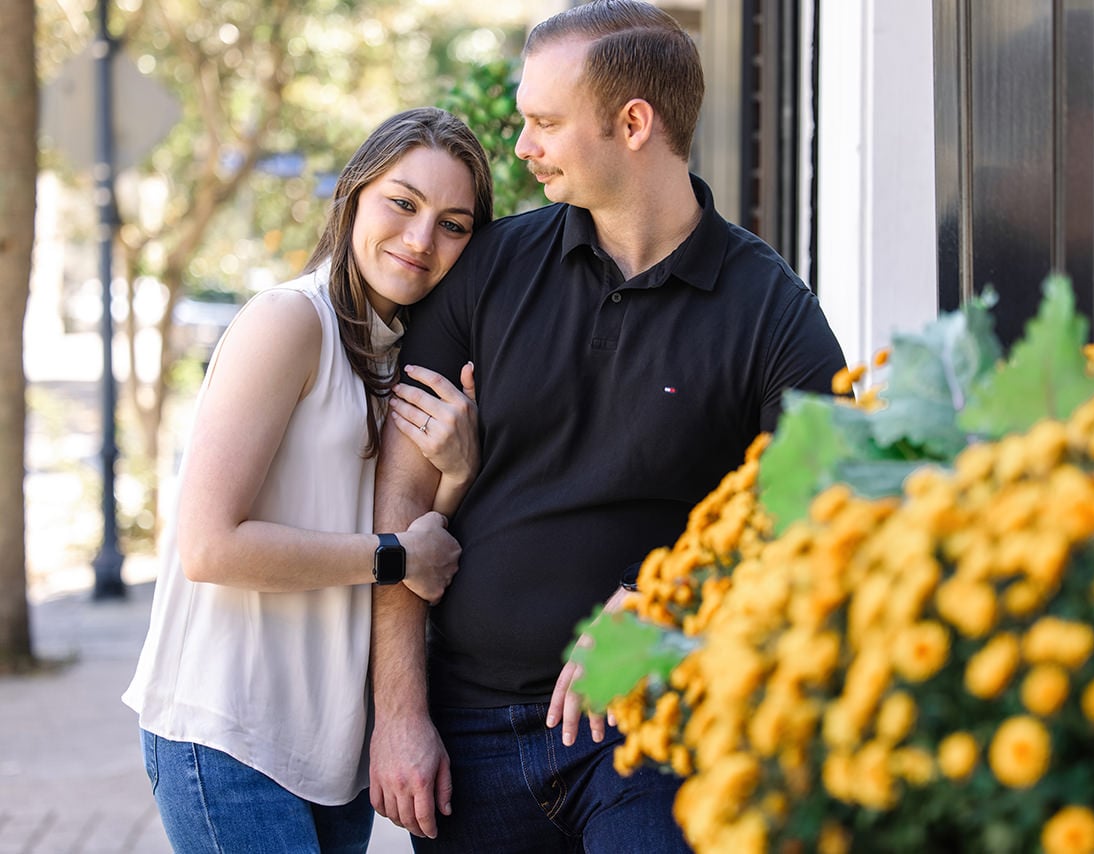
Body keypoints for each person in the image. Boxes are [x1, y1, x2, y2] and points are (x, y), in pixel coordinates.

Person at [369, 2, 848, 850]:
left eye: (545, 123)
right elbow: (400, 502)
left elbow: (819, 507)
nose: (522, 147)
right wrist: (400, 716)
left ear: (633, 124)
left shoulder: (771, 309)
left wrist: (664, 595)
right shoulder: (483, 270)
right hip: (469, 739)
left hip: (648, 730)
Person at [122, 106, 494, 853]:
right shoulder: (290, 323)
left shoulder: (405, 353)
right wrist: (391, 555)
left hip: (331, 751)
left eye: (454, 224)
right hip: (231, 734)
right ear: (354, 193)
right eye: (403, 203)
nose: (421, 240)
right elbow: (210, 547)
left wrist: (455, 476)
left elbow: (416, 545)